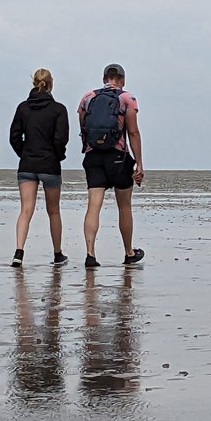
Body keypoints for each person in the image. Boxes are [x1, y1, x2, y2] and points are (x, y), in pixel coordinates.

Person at [77, 63, 145, 268]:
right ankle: (128, 252)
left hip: (93, 157)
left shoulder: (88, 97)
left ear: (104, 78)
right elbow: (132, 132)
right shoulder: (127, 99)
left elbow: (83, 125)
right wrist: (139, 163)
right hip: (118, 157)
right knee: (124, 207)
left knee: (93, 206)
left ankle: (90, 254)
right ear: (122, 80)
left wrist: (87, 146)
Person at [9, 68, 69, 267]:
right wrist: (57, 156)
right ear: (51, 83)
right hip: (50, 164)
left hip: (27, 163)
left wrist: (23, 152)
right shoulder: (58, 109)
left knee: (26, 209)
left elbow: (14, 136)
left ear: (33, 83)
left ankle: (19, 252)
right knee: (53, 211)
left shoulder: (23, 108)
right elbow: (61, 138)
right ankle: (57, 253)